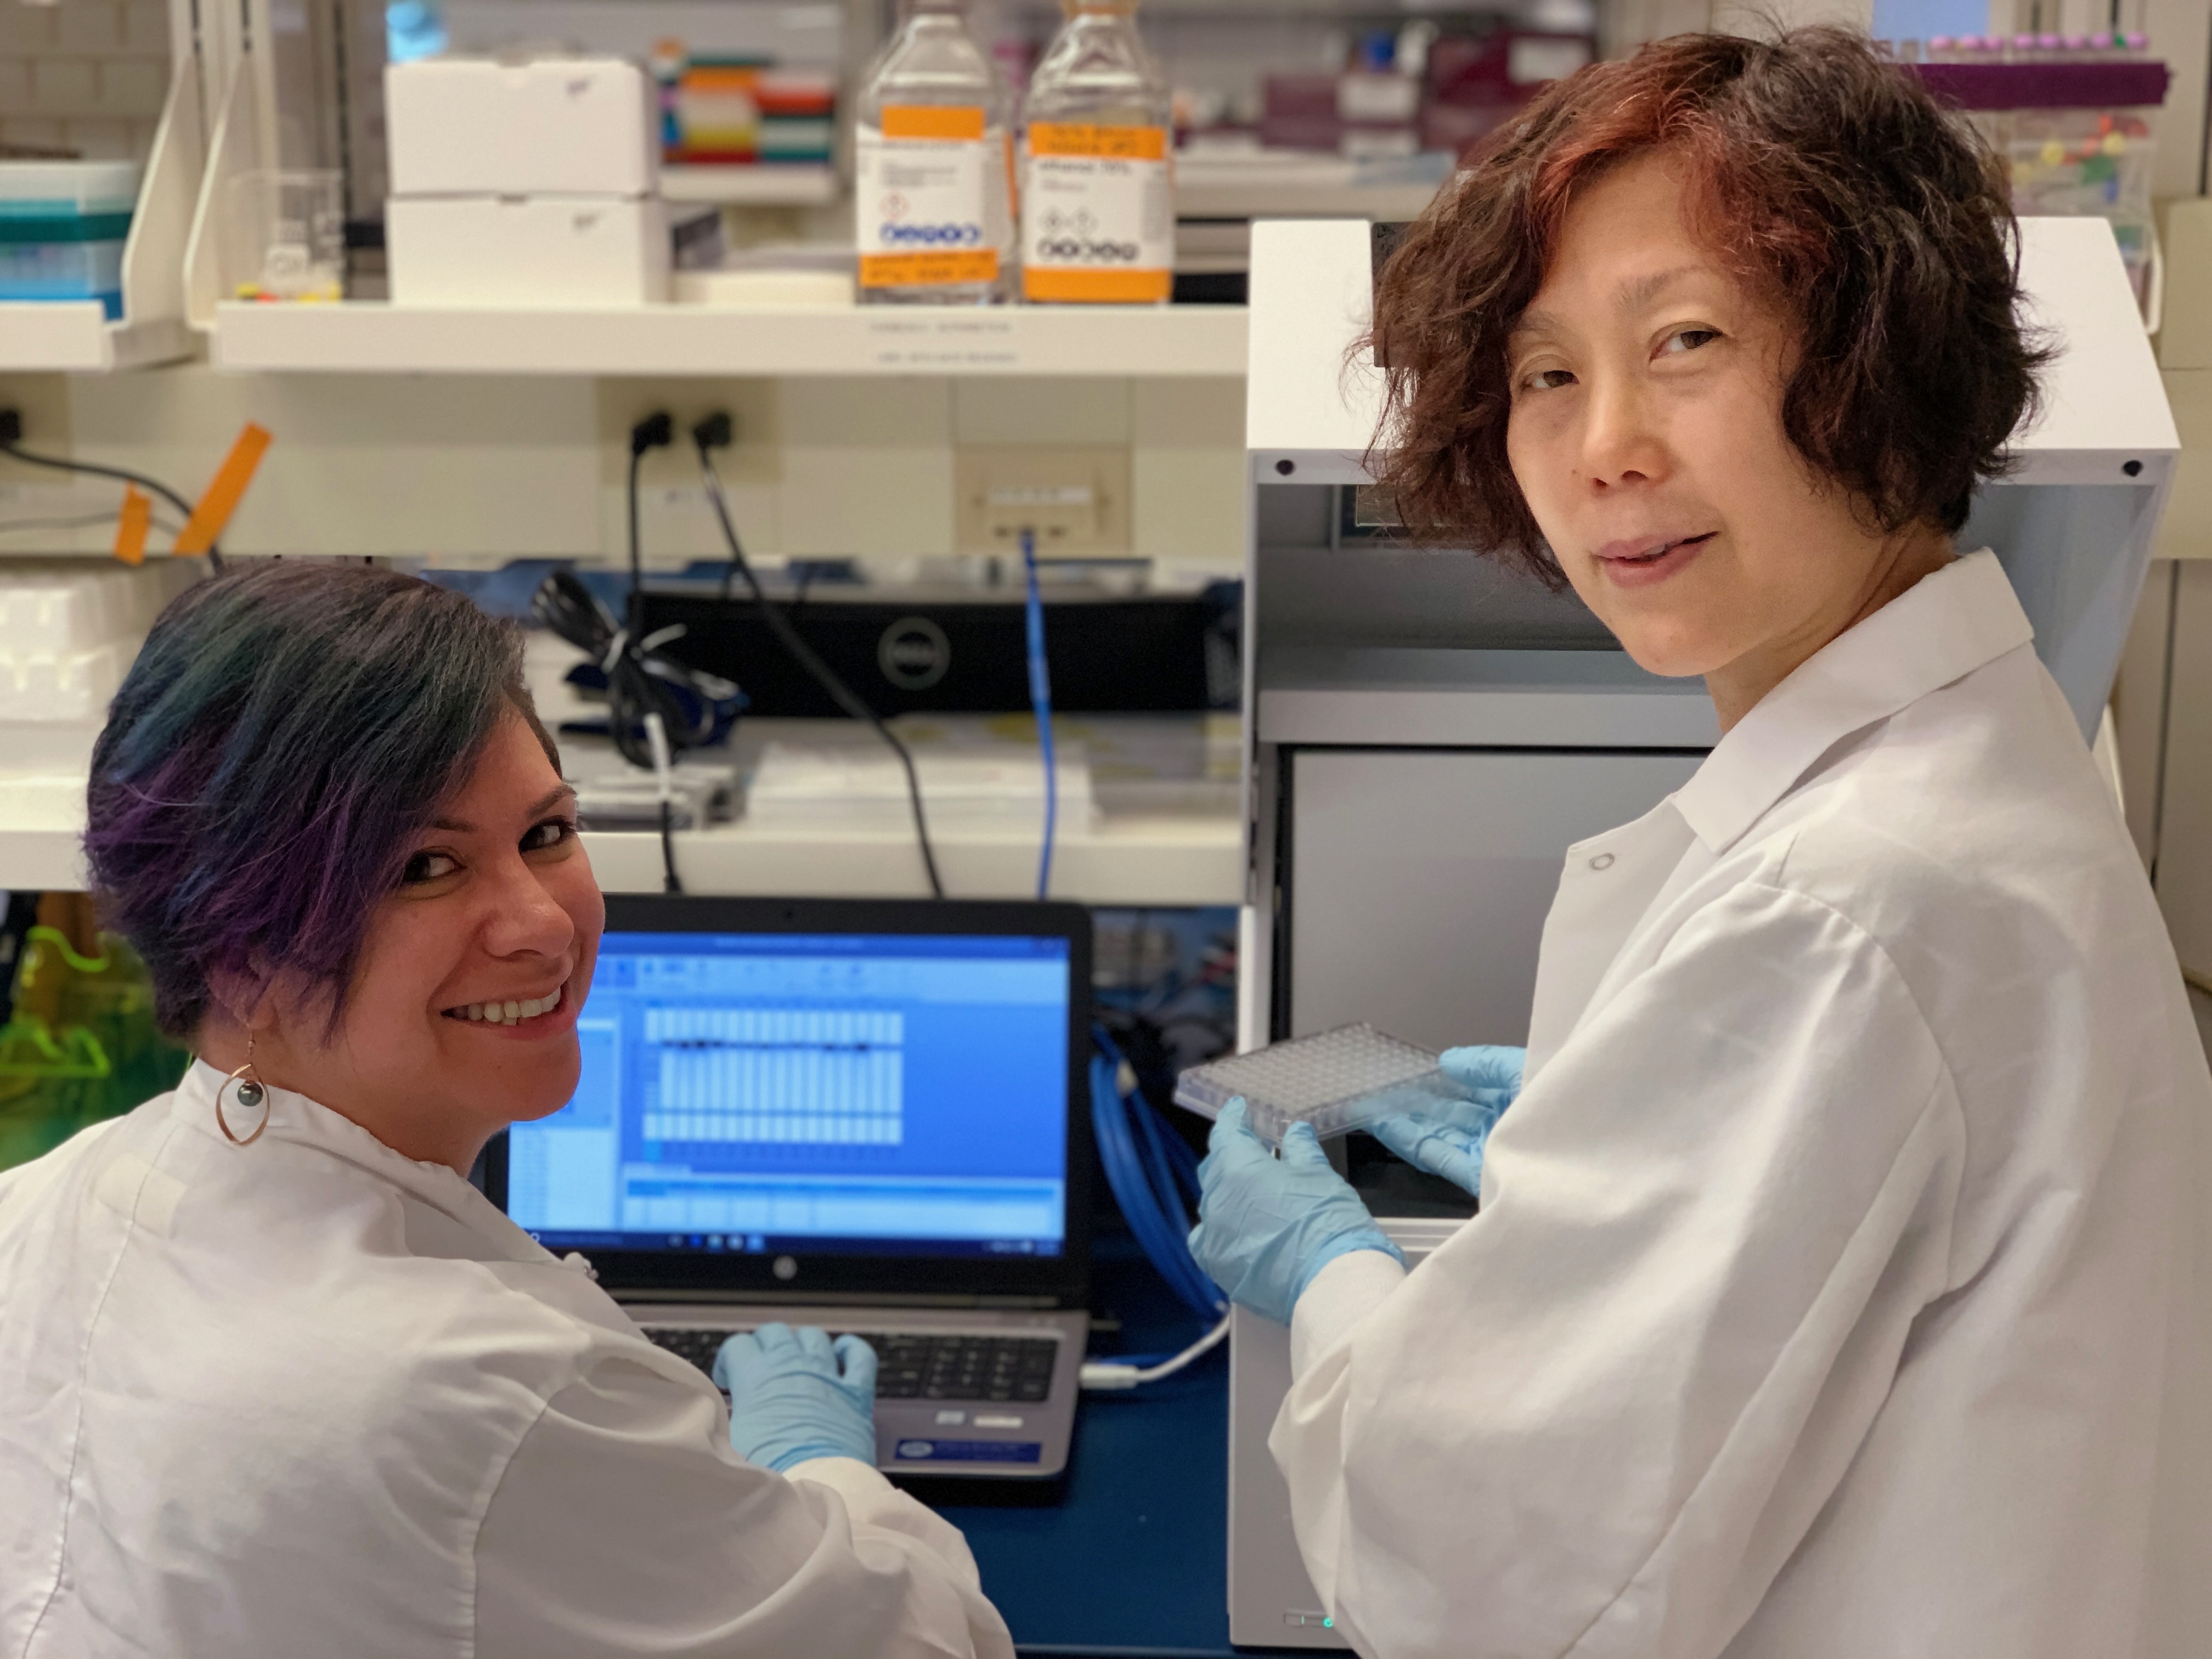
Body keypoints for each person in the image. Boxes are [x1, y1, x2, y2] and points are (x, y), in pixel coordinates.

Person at [1189, 28, 2212, 1659]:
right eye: (1546, 373)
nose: (1604, 448)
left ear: (1885, 354)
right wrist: (1621, 1116)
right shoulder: (1977, 783)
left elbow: (1470, 1570)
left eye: (1687, 340)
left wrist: (1323, 1273)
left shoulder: (1843, 908)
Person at [0, 562, 1013, 1657]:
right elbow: (926, 1643)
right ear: (237, 956)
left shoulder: (40, 1209)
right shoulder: (491, 1392)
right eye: (427, 867)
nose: (540, 923)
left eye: (546, 833)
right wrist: (822, 1465)